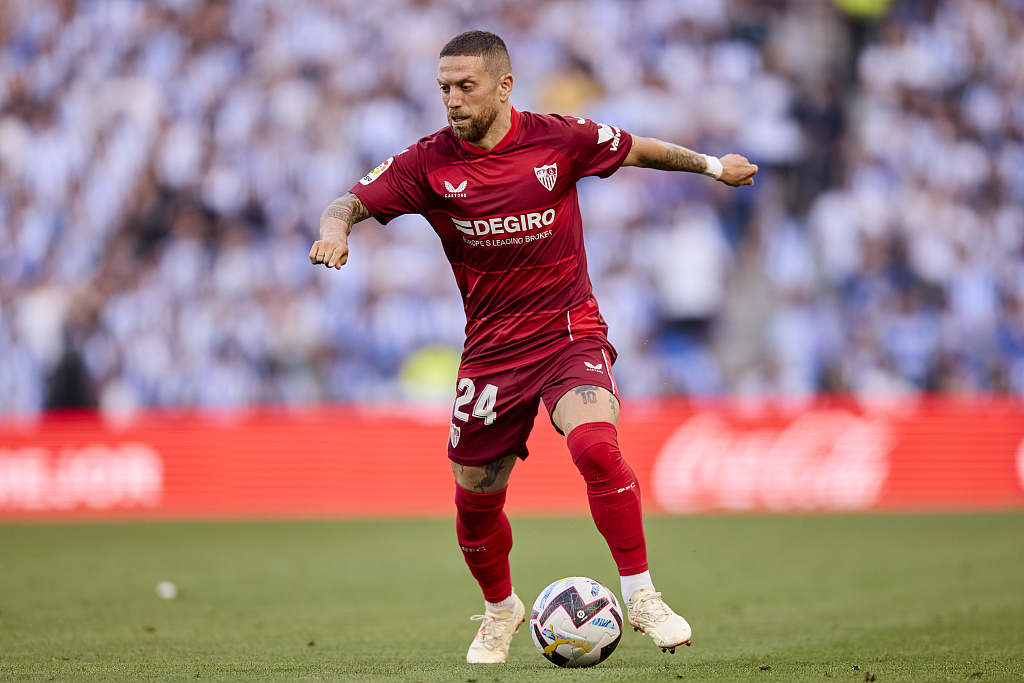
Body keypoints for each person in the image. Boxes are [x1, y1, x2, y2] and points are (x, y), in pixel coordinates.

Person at [310, 30, 757, 664]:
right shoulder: (427, 163)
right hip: (492, 354)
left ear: (504, 85)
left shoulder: (558, 137)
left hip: (567, 330)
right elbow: (349, 200)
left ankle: (642, 594)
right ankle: (500, 609)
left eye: (467, 87)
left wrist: (713, 167)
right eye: (444, 88)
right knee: (474, 497)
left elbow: (635, 149)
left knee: (596, 445)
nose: (454, 101)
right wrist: (336, 233)